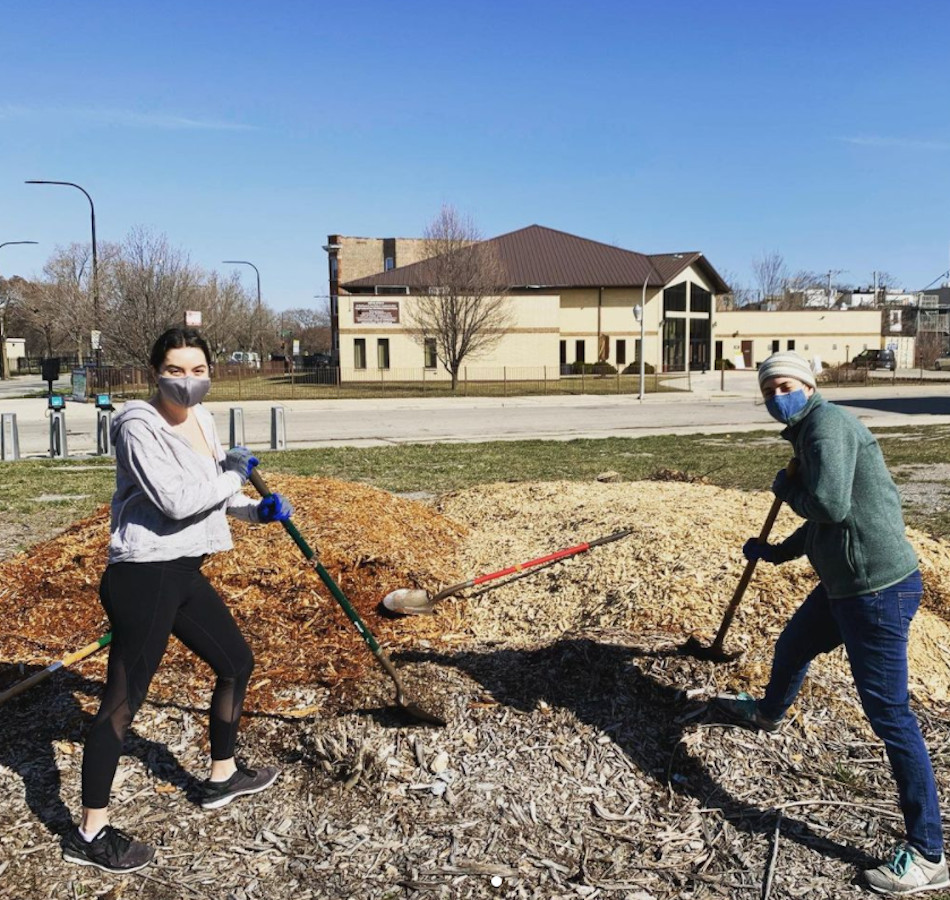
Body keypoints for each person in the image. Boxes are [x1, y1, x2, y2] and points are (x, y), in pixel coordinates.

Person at [62, 328, 295, 874]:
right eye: (175, 370)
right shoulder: (137, 427)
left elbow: (214, 494)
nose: (186, 381)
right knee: (121, 704)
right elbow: (174, 501)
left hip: (184, 569)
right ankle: (89, 833)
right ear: (154, 372)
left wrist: (252, 512)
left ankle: (222, 776)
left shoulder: (205, 421)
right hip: (145, 575)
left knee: (236, 662)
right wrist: (234, 473)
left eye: (196, 370)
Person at [715, 351, 947, 896]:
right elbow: (826, 526)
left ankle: (929, 853)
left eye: (786, 385)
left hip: (877, 592)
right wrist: (776, 553)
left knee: (890, 715)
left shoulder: (826, 430)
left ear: (809, 385)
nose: (777, 396)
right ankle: (769, 713)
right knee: (793, 645)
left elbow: (829, 504)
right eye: (769, 388)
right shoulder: (808, 431)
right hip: (845, 587)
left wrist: (786, 490)